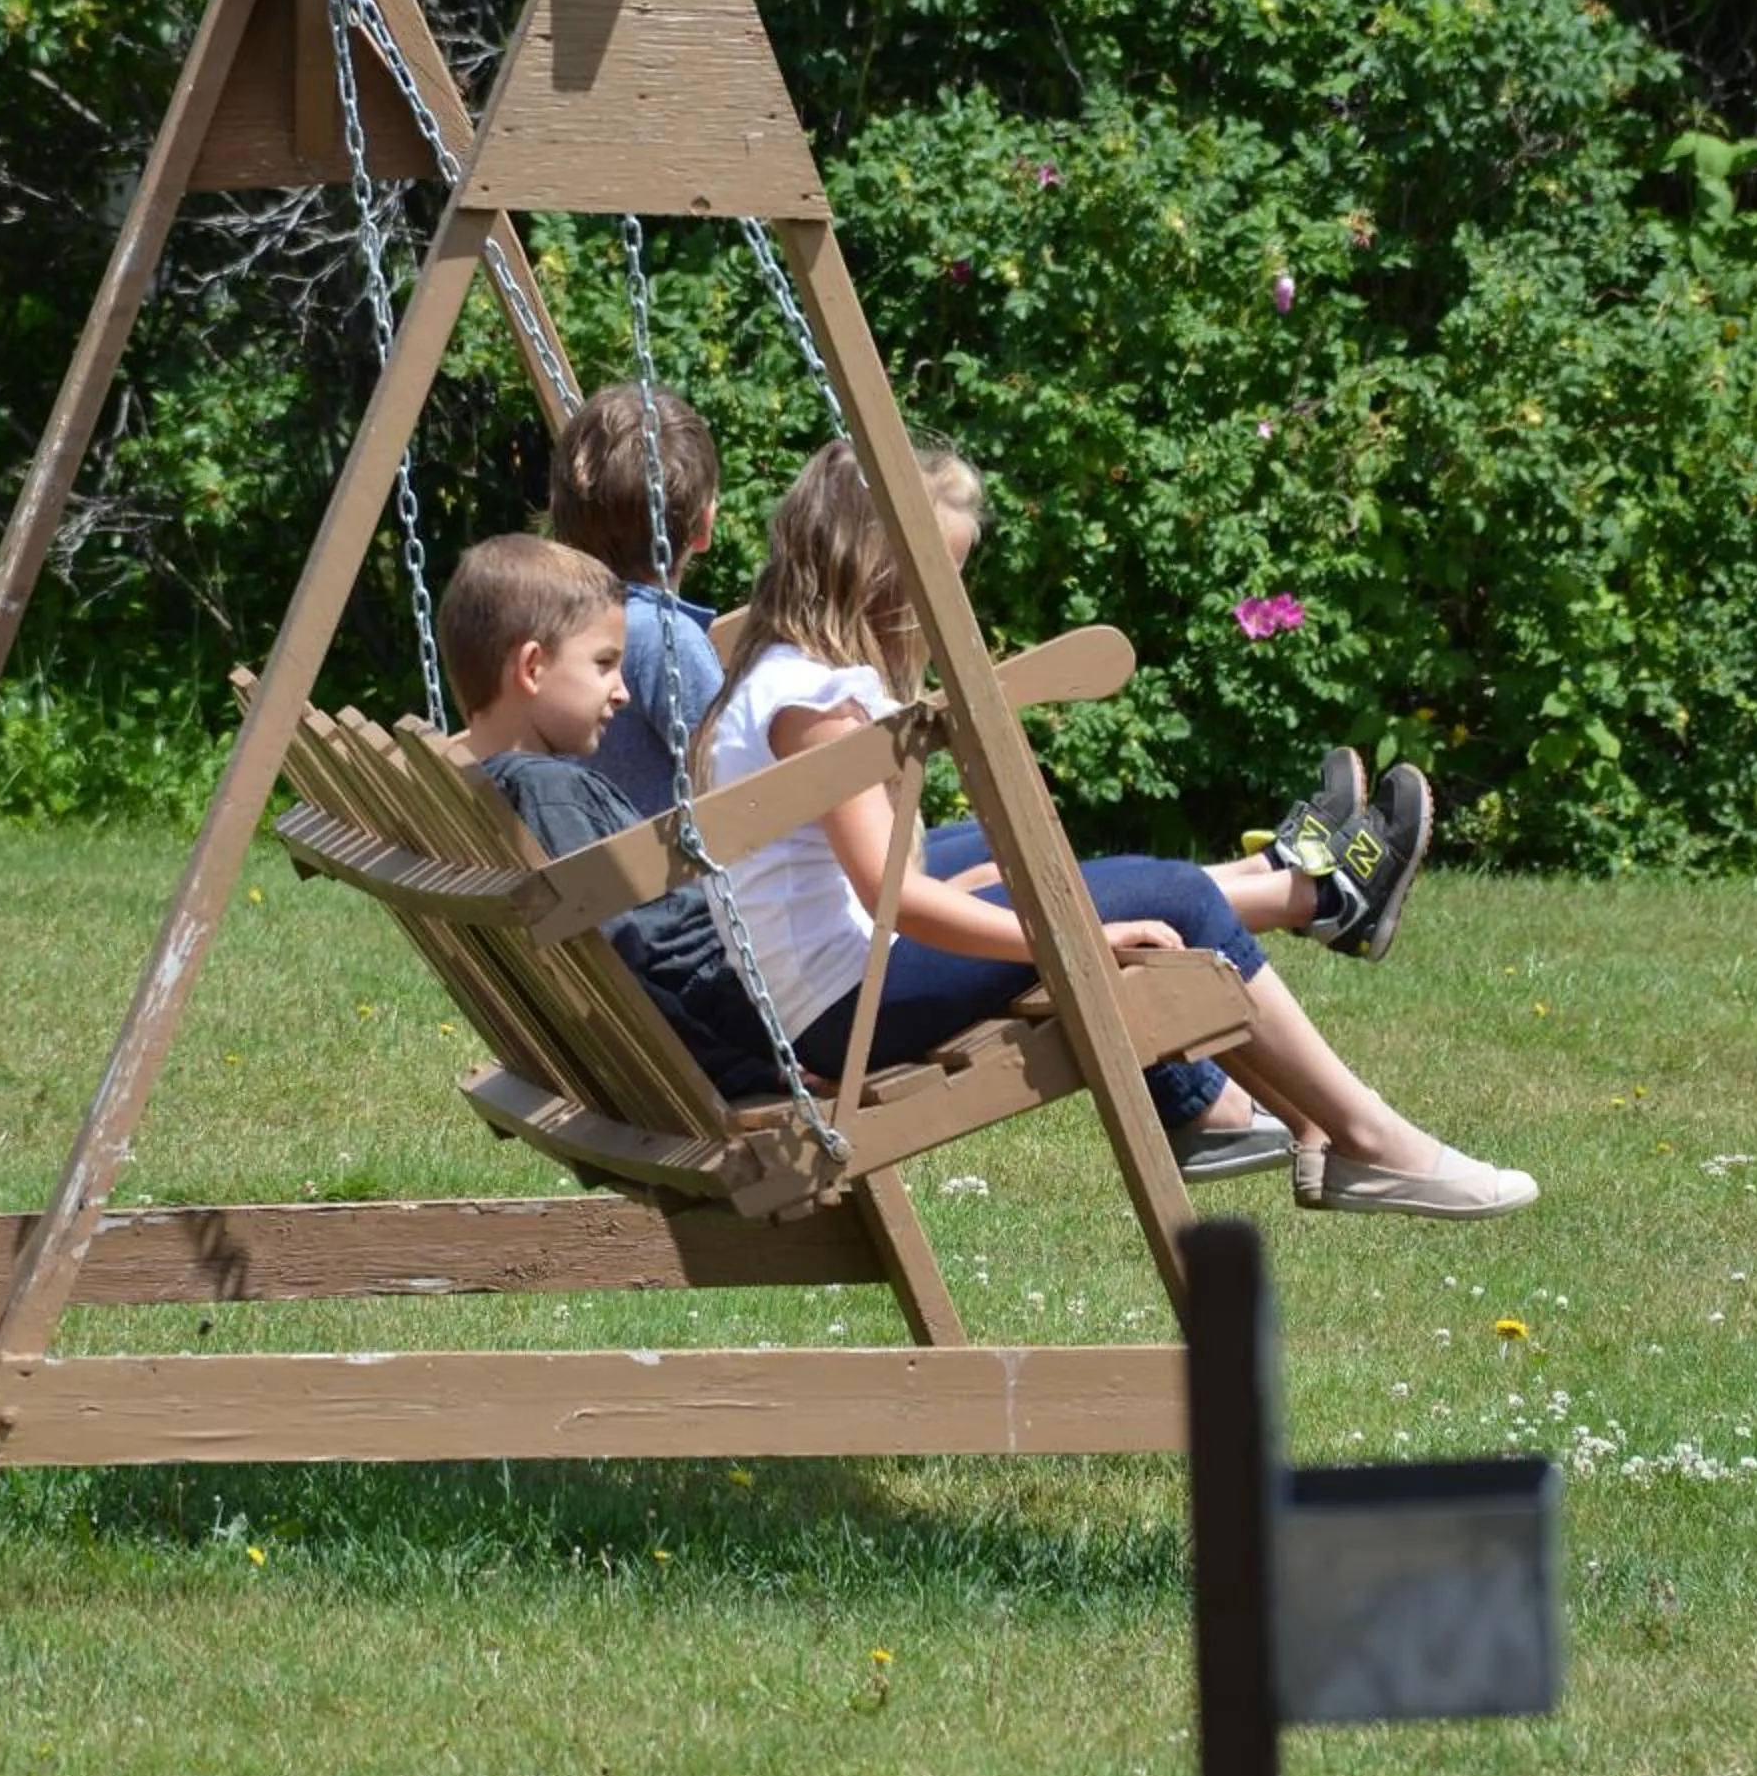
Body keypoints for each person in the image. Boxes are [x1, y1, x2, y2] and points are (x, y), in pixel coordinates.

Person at [691, 440, 1536, 1219]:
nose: (942, 613)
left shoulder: (781, 673)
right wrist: (1073, 937)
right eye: (936, 587)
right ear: (874, 576)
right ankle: (1364, 1136)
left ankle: (1234, 1057)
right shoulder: (821, 706)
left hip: (824, 990)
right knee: (1159, 896)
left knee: (1025, 856)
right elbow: (894, 901)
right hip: (845, 1012)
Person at [435, 533, 780, 1103]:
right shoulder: (549, 794)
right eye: (604, 665)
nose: (621, 692)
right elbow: (634, 967)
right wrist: (754, 1074)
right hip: (745, 1010)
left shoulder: (494, 791)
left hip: (730, 994)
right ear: (532, 667)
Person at [544, 382, 724, 820]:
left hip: (609, 875)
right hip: (691, 883)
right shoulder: (665, 639)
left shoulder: (555, 628)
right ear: (703, 528)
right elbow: (735, 775)